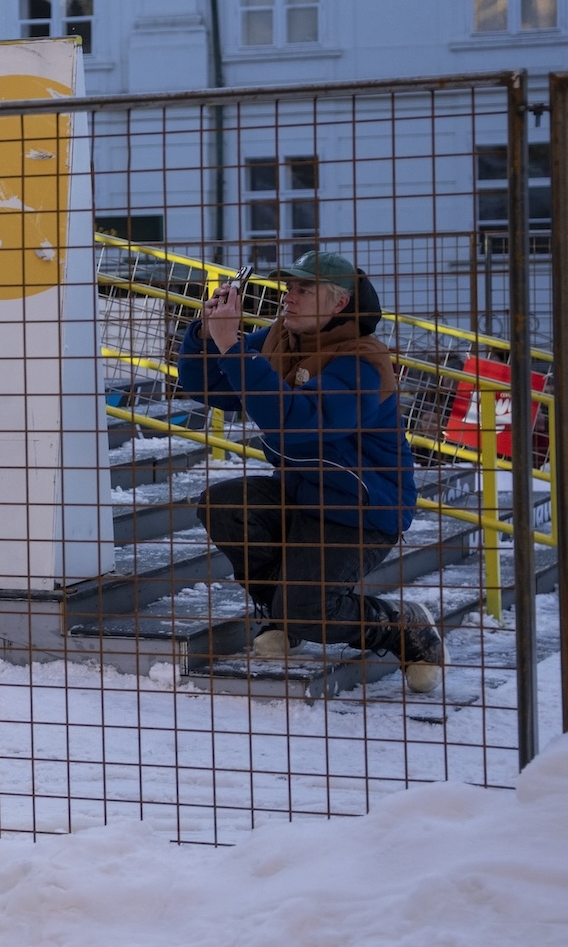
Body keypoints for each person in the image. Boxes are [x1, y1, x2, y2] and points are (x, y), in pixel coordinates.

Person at [174, 250, 446, 692]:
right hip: (301, 495)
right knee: (225, 506)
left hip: (358, 510)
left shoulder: (363, 362)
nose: (290, 297)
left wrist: (233, 348)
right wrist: (207, 334)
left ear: (339, 303)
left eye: (304, 289)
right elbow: (210, 387)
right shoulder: (281, 338)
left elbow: (299, 424)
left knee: (309, 608)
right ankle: (283, 616)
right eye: (289, 287)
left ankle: (401, 627)